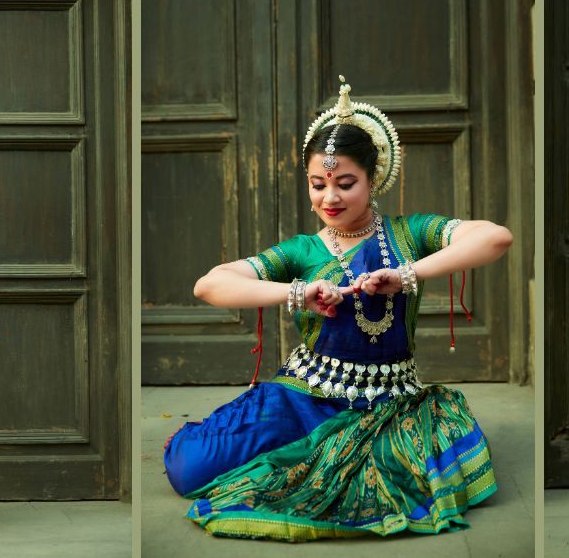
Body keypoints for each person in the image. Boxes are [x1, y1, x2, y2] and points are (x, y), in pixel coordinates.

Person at [163, 77, 514, 541]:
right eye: (317, 184)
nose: (329, 198)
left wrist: (407, 275)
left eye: (345, 183)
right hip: (306, 395)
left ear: (374, 179)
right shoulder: (303, 250)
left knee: (397, 478)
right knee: (190, 470)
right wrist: (296, 293)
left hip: (388, 405)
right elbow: (210, 285)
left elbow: (495, 237)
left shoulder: (409, 234)